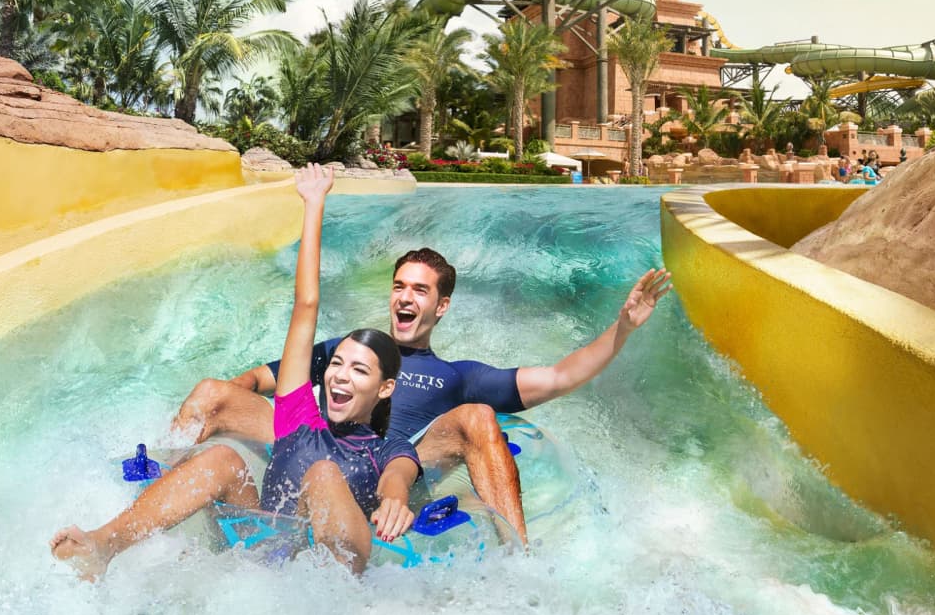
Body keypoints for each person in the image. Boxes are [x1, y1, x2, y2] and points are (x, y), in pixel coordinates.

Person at [50, 164, 421, 578]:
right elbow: (306, 307)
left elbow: (398, 478)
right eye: (336, 364)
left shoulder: (388, 448)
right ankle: (104, 545)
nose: (339, 376)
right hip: (266, 554)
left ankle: (331, 594)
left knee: (323, 472)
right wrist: (313, 204)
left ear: (385, 388)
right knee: (223, 458)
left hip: (334, 570)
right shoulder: (298, 418)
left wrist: (394, 499)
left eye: (359, 370)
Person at [164, 250, 672, 547]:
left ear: (441, 305)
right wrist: (239, 409)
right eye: (399, 286)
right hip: (311, 449)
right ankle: (161, 493)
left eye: (420, 291)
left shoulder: (457, 375)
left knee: (476, 417)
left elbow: (560, 377)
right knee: (213, 391)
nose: (405, 298)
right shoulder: (348, 354)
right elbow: (254, 381)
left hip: (392, 468)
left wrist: (622, 328)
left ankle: (519, 559)